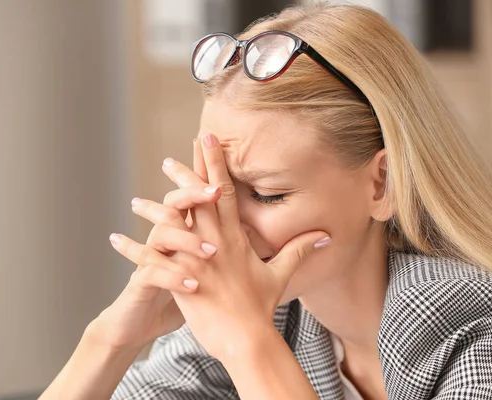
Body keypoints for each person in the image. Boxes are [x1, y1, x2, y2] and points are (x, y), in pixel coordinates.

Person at [39, 4, 492, 400]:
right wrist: (113, 339)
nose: (226, 227)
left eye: (267, 194)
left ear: (383, 184)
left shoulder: (472, 326)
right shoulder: (269, 310)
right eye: (215, 187)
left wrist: (246, 341)